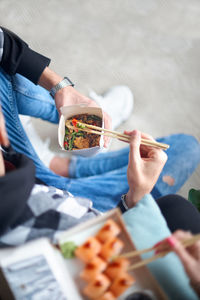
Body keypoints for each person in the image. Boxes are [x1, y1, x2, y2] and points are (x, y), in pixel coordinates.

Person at [0, 26, 200, 298]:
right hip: (96, 215)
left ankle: (67, 162)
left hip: (50, 190)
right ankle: (69, 156)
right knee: (186, 151)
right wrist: (135, 201)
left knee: (186, 148)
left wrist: (60, 86)